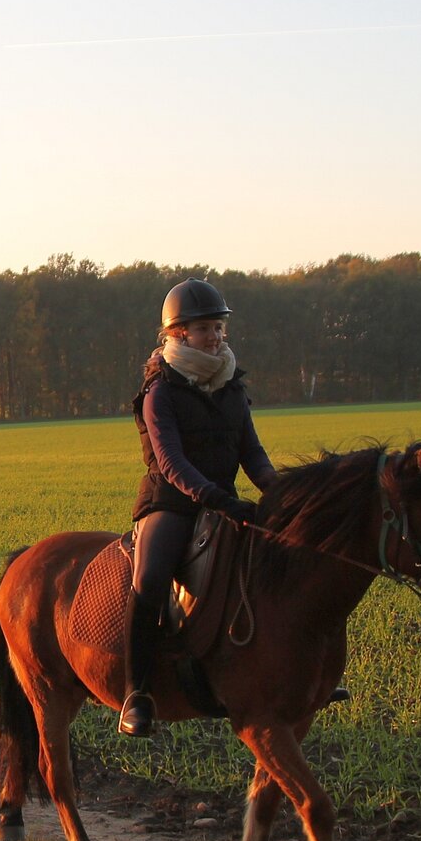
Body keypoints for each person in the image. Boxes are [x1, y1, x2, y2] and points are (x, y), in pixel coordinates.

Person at [119, 279, 277, 737]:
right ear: (178, 333)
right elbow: (170, 462)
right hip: (170, 503)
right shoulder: (159, 391)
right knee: (149, 579)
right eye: (206, 328)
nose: (216, 337)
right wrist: (216, 498)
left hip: (223, 501)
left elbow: (254, 452)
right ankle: (136, 693)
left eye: (219, 328)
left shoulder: (231, 386)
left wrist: (280, 492)